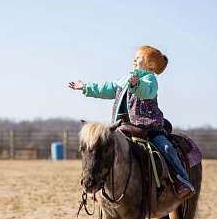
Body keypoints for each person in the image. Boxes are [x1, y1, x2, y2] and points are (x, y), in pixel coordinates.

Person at [69, 45, 194, 199]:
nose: (134, 60)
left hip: (149, 127)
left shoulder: (150, 79)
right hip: (123, 126)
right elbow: (107, 88)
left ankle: (181, 180)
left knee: (167, 148)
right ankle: (98, 179)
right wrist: (86, 87)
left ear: (150, 64)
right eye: (134, 58)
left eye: (138, 58)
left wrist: (136, 85)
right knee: (102, 149)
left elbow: (146, 91)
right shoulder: (125, 79)